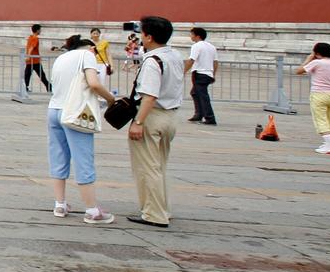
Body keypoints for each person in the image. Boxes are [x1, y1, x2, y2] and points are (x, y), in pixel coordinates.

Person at [44, 34, 117, 223]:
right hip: (74, 112)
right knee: (83, 158)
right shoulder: (87, 56)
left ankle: (60, 204)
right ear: (91, 48)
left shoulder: (61, 58)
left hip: (54, 110)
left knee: (58, 156)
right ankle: (92, 210)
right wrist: (110, 99)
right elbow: (93, 83)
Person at [127, 16, 184, 228]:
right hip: (170, 116)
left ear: (149, 37)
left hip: (152, 116)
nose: (141, 36)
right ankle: (163, 210)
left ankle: (154, 214)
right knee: (158, 165)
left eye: (142, 33)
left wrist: (138, 122)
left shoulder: (152, 61)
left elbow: (149, 96)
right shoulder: (175, 56)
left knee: (147, 167)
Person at [297, 43, 330, 156]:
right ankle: (328, 142)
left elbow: (299, 71)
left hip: (319, 93)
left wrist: (308, 59)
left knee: (320, 119)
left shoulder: (317, 62)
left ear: (317, 53)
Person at [184, 26, 218, 125]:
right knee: (194, 93)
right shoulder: (211, 46)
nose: (191, 36)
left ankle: (210, 117)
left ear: (197, 36)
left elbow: (191, 60)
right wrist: (213, 74)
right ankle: (198, 114)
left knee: (203, 96)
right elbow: (215, 62)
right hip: (208, 73)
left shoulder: (196, 46)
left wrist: (183, 71)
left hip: (199, 73)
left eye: (192, 34)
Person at [23, 24, 51, 94]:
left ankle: (25, 88)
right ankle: (49, 87)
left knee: (27, 75)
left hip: (30, 61)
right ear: (37, 30)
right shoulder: (35, 38)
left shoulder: (30, 37)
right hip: (35, 61)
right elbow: (31, 48)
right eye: (40, 29)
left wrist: (28, 57)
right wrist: (29, 56)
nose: (40, 31)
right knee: (41, 75)